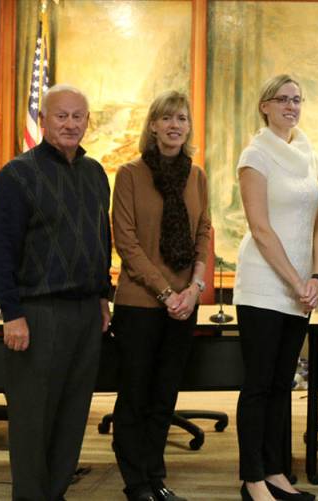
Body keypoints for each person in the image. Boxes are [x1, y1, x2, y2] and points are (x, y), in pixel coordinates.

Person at [0, 84, 112, 501]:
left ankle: (55, 493)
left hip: (86, 313)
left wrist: (103, 296)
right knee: (33, 418)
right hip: (38, 314)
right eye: (61, 116)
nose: (71, 124)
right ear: (43, 120)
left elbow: (99, 240)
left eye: (78, 116)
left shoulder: (95, 174)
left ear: (87, 122)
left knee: (73, 416)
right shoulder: (17, 176)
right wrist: (11, 313)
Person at [110, 90, 212, 501]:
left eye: (182, 119)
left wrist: (195, 287)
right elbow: (127, 242)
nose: (175, 125)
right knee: (135, 395)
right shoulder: (130, 173)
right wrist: (167, 291)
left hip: (184, 305)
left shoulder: (197, 176)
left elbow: (204, 231)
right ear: (152, 125)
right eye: (167, 118)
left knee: (165, 394)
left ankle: (155, 476)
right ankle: (135, 482)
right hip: (139, 303)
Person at [234, 75, 318, 501]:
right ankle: (252, 479)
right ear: (264, 106)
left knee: (281, 385)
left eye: (297, 99)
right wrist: (295, 280)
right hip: (263, 287)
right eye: (282, 99)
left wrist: (317, 277)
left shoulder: (309, 154)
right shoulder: (256, 155)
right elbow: (260, 228)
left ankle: (275, 472)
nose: (291, 106)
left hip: (300, 290)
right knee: (258, 385)